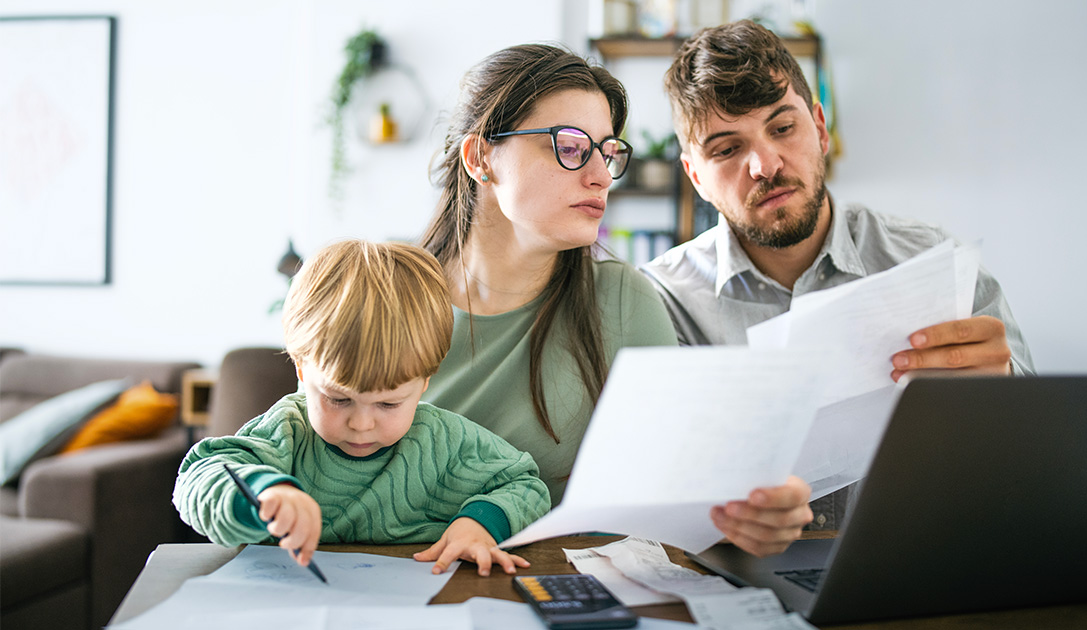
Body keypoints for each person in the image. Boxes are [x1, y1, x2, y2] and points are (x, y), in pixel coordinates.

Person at [420, 43, 815, 557]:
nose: (601, 176)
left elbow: (672, 488)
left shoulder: (625, 301)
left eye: (606, 152)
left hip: (550, 585)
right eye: (570, 146)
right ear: (480, 158)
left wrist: (746, 509)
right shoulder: (379, 293)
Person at [641, 20, 1036, 530]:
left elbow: (1031, 448)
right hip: (736, 580)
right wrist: (720, 520)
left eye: (783, 128)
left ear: (821, 130)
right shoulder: (661, 299)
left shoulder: (934, 262)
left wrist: (1003, 389)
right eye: (726, 149)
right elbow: (658, 482)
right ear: (696, 176)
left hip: (918, 560)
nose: (764, 164)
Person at [173, 239, 551, 577]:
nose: (361, 423)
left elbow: (525, 485)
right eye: (338, 398)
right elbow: (197, 476)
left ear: (424, 382)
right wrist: (262, 496)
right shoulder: (288, 429)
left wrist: (480, 523)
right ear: (302, 370)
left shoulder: (444, 440)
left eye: (388, 403)